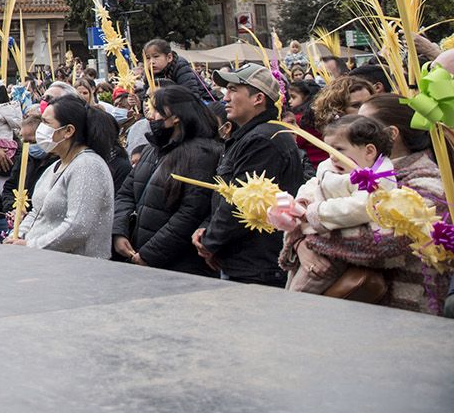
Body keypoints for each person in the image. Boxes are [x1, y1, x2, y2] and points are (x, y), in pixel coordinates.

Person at [304, 95, 450, 314]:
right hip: (357, 309)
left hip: (405, 309)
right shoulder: (349, 168)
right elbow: (306, 198)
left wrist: (308, 233)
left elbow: (381, 242)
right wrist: (300, 238)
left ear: (391, 134)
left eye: (363, 122)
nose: (352, 125)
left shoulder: (427, 181)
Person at [192, 64, 305, 286]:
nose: (225, 98)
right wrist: (209, 228)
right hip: (244, 259)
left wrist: (211, 241)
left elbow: (243, 203)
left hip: (257, 264)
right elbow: (226, 192)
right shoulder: (251, 136)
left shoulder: (263, 140)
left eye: (233, 90)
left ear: (258, 98)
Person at [279, 113, 396, 295]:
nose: (332, 157)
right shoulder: (332, 166)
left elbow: (359, 207)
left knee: (298, 296)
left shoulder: (380, 178)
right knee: (292, 287)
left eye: (339, 150)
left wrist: (313, 213)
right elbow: (313, 183)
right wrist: (303, 199)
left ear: (369, 151)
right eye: (329, 150)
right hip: (313, 242)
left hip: (333, 254)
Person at [112, 85, 220, 275]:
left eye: (156, 110)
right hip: (139, 256)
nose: (151, 116)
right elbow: (126, 193)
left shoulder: (202, 153)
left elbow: (190, 213)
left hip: (177, 265)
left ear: (176, 116)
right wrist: (119, 231)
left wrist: (150, 254)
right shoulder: (151, 149)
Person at [6, 94, 117, 257]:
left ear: (68, 131)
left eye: (46, 122)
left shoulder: (88, 166)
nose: (40, 129)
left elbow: (78, 226)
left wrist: (32, 245)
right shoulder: (56, 165)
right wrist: (17, 237)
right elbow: (37, 211)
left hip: (78, 267)